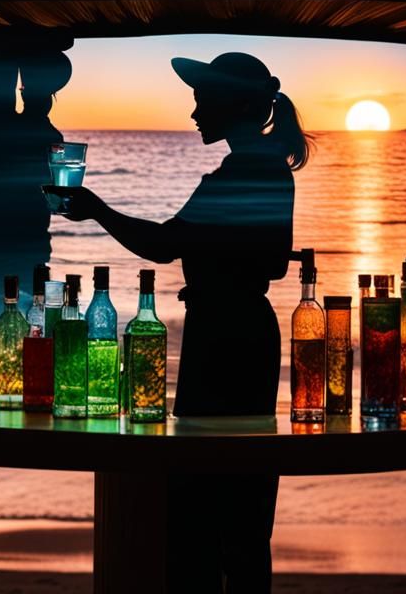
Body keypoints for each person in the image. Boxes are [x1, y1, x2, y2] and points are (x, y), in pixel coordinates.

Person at [46, 51, 312, 594]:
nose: (193, 112)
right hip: (243, 331)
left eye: (201, 99)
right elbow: (268, 258)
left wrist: (95, 207)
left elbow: (164, 244)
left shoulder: (243, 170)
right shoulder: (264, 166)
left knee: (202, 501)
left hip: (224, 338)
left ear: (235, 104)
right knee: (241, 503)